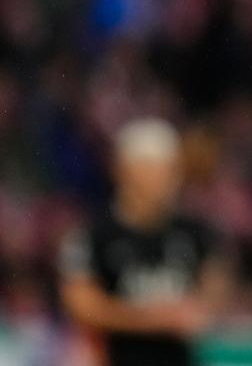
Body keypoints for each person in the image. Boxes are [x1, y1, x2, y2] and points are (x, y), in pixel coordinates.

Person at [59, 117, 226, 366]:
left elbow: (214, 290)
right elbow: (81, 306)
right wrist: (156, 320)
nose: (167, 179)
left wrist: (202, 307)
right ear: (125, 171)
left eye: (171, 169)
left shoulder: (195, 233)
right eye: (155, 169)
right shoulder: (92, 236)